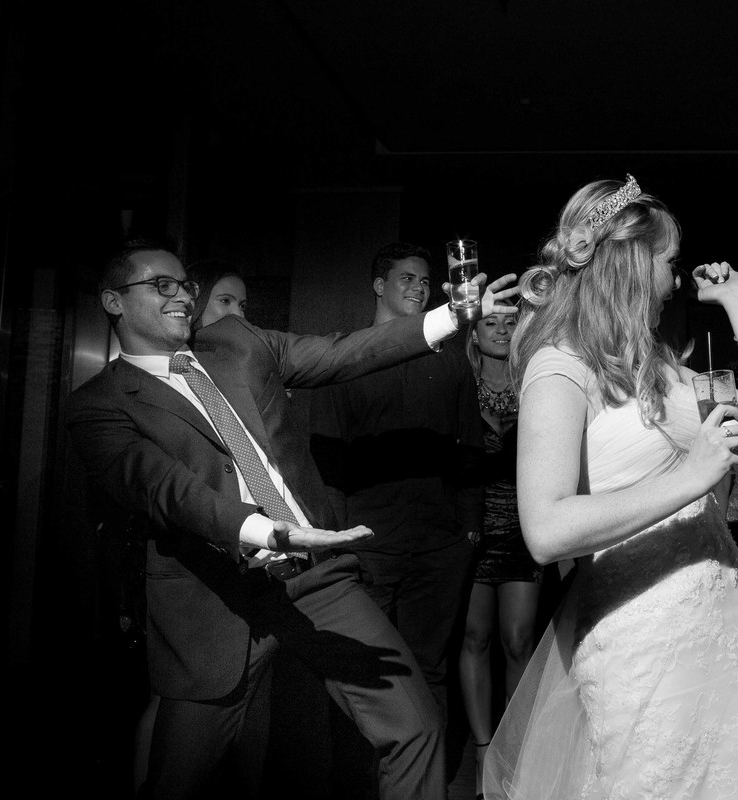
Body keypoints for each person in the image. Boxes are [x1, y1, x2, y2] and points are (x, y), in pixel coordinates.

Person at [68, 237, 515, 800]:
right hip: (216, 596)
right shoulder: (100, 403)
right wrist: (263, 528)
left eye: (185, 285)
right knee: (179, 781)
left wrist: (450, 316)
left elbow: (343, 351)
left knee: (415, 726)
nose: (181, 295)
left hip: (314, 578)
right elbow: (161, 488)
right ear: (113, 301)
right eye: (161, 286)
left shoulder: (236, 342)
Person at [485, 175, 738, 799]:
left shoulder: (656, 367)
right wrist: (691, 475)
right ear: (631, 263)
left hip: (727, 617)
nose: (677, 280)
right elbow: (544, 532)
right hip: (639, 635)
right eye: (668, 263)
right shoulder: (559, 367)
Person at [307, 242, 484, 728]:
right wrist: (338, 540)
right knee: (363, 673)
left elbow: (469, 448)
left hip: (438, 544)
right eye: (407, 278)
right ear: (379, 285)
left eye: (426, 281)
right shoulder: (347, 358)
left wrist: (467, 529)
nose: (420, 288)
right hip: (369, 544)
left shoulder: (450, 361)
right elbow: (327, 458)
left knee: (429, 668)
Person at [130, 258, 253, 794]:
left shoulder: (230, 370)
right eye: (226, 302)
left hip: (231, 576)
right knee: (168, 703)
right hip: (173, 565)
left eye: (244, 306)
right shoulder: (144, 381)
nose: (237, 315)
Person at [457, 311, 543, 798]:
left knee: (518, 639)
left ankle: (515, 751)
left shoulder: (534, 382)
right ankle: (483, 751)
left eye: (510, 323)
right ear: (473, 331)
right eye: (490, 322)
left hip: (524, 524)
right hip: (473, 527)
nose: (502, 330)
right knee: (474, 636)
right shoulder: (459, 383)